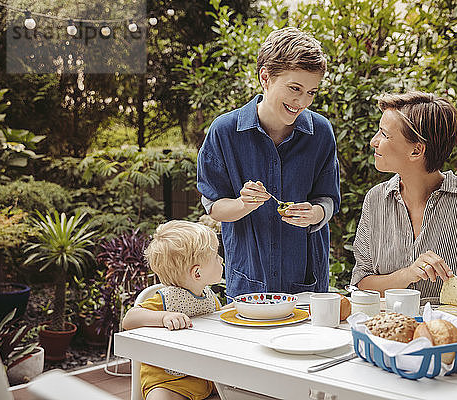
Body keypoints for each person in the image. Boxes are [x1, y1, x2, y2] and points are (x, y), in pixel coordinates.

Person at [350, 91, 457, 315]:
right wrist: (409, 274)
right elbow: (362, 284)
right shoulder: (375, 200)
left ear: (416, 150)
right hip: (389, 332)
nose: (374, 141)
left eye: (384, 134)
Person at [197, 27, 340, 297]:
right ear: (266, 77)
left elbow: (328, 200)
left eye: (311, 92)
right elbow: (214, 207)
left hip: (306, 285)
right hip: (248, 282)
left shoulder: (321, 132)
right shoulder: (224, 131)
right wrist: (242, 204)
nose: (302, 101)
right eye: (295, 88)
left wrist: (315, 214)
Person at [122, 220, 226, 400]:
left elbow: (215, 320)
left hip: (203, 376)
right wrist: (164, 317)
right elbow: (129, 319)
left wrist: (234, 310)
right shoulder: (166, 298)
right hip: (168, 382)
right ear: (197, 273)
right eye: (216, 256)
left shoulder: (208, 295)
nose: (221, 259)